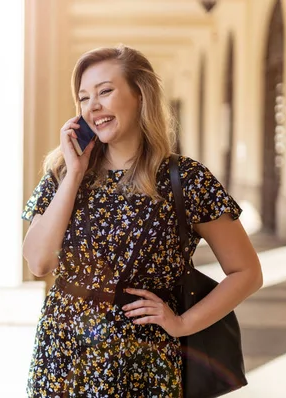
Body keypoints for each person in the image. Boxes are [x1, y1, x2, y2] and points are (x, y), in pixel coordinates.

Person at [21, 45, 263, 397]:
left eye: (105, 91)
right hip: (64, 357)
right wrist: (74, 174)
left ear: (139, 94)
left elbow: (247, 272)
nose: (93, 106)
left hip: (145, 365)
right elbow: (39, 262)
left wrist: (182, 324)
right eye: (84, 98)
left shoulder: (187, 179)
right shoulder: (62, 174)